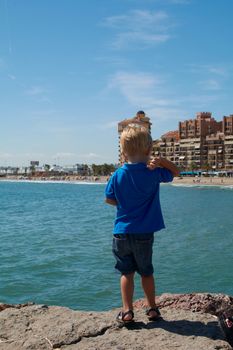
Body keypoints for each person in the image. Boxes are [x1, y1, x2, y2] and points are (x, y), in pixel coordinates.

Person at [105, 124, 179, 323]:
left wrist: (126, 204)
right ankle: (152, 308)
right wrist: (162, 161)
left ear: (123, 150)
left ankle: (127, 312)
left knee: (126, 273)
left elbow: (109, 199)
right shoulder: (153, 172)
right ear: (148, 150)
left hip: (121, 233)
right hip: (144, 234)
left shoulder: (117, 175)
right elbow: (176, 173)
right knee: (146, 272)